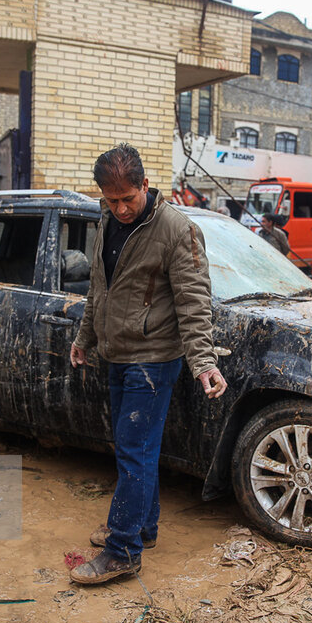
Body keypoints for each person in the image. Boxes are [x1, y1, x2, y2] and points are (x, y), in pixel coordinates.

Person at [69, 143, 227, 585]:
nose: (120, 208)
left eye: (128, 198)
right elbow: (98, 289)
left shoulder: (177, 230)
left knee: (133, 454)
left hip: (153, 361)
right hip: (117, 354)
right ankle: (143, 526)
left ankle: (123, 551)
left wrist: (204, 363)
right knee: (135, 450)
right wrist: (85, 338)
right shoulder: (106, 221)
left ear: (145, 184)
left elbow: (194, 304)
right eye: (111, 199)